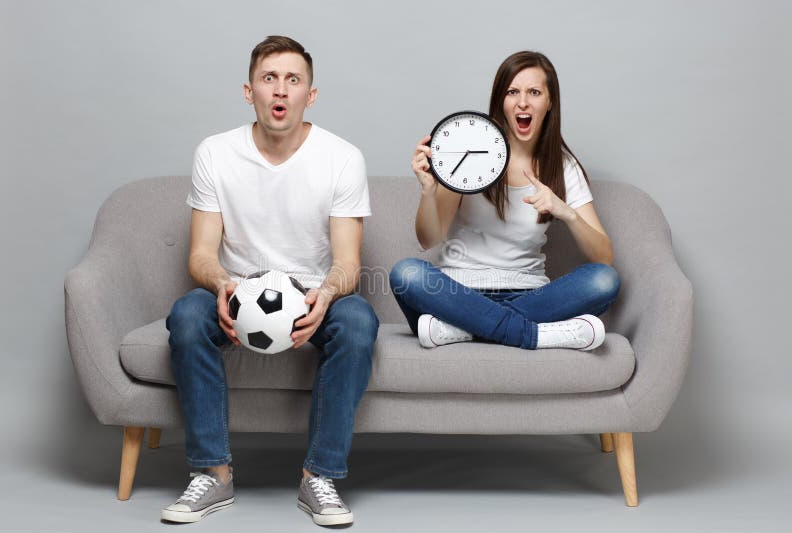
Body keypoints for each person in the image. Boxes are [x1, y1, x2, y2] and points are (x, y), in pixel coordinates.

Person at [163, 36, 378, 527]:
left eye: (293, 80)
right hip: (240, 292)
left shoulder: (342, 158)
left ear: (311, 94)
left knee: (359, 320)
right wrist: (221, 284)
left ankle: (318, 478)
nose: (280, 91)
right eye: (269, 78)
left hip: (308, 295)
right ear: (249, 90)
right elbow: (200, 254)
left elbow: (348, 263)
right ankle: (213, 475)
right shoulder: (215, 153)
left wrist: (324, 294)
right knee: (187, 315)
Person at [389, 51, 620, 351]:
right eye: (513, 92)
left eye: (534, 92)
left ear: (549, 103)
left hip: (530, 295)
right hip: (460, 293)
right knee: (407, 274)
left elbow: (603, 258)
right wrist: (428, 191)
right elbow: (428, 239)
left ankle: (466, 331)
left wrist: (567, 213)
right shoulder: (470, 148)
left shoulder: (562, 166)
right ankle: (533, 335)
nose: (523, 102)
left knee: (604, 280)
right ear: (501, 101)